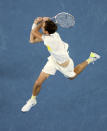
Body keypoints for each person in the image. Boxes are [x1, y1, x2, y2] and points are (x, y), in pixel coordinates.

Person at [21, 17, 100, 112]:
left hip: (65, 64)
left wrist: (37, 23)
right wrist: (44, 21)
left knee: (72, 76)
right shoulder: (52, 34)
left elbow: (34, 33)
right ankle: (32, 100)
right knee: (38, 82)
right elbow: (32, 40)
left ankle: (91, 58)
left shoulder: (49, 40)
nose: (42, 27)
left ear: (46, 32)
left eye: (43, 27)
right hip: (54, 61)